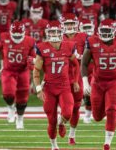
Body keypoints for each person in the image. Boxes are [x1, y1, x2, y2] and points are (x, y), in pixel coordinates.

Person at [81, 19, 116, 150]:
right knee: (97, 116)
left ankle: (107, 143)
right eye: (103, 31)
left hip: (114, 82)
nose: (105, 34)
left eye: (108, 31)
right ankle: (106, 109)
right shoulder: (92, 41)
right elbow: (84, 63)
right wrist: (85, 82)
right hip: (98, 82)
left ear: (114, 31)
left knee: (112, 110)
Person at [33, 21, 79, 150]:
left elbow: (76, 64)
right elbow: (36, 71)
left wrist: (75, 80)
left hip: (64, 86)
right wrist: (38, 89)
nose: (54, 34)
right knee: (51, 120)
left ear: (61, 32)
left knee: (68, 113)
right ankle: (54, 146)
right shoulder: (42, 48)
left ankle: (62, 122)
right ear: (47, 33)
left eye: (56, 31)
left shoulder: (68, 46)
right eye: (51, 32)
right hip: (49, 87)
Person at [0, 21, 35, 129]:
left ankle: (20, 119)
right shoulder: (4, 37)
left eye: (19, 35)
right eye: (14, 35)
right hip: (9, 70)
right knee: (8, 94)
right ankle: (11, 108)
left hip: (23, 71)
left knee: (22, 99)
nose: (17, 38)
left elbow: (35, 58)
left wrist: (32, 62)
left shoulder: (30, 41)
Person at [60, 13, 86, 145]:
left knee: (76, 107)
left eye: (71, 24)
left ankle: (72, 135)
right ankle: (61, 122)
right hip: (60, 76)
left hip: (77, 76)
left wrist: (82, 57)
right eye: (67, 24)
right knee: (65, 107)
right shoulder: (57, 37)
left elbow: (90, 55)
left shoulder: (83, 37)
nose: (70, 26)